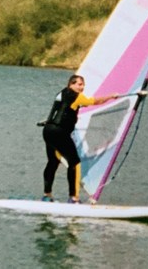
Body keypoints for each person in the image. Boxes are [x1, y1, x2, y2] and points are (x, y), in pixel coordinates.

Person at [40, 74, 118, 204]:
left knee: (53, 162)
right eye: (79, 84)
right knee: (74, 162)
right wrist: (111, 96)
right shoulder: (77, 96)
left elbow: (64, 109)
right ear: (71, 84)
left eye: (83, 85)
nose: (82, 87)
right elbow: (95, 102)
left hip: (48, 131)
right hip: (59, 133)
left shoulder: (61, 93)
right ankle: (74, 197)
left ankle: (46, 195)